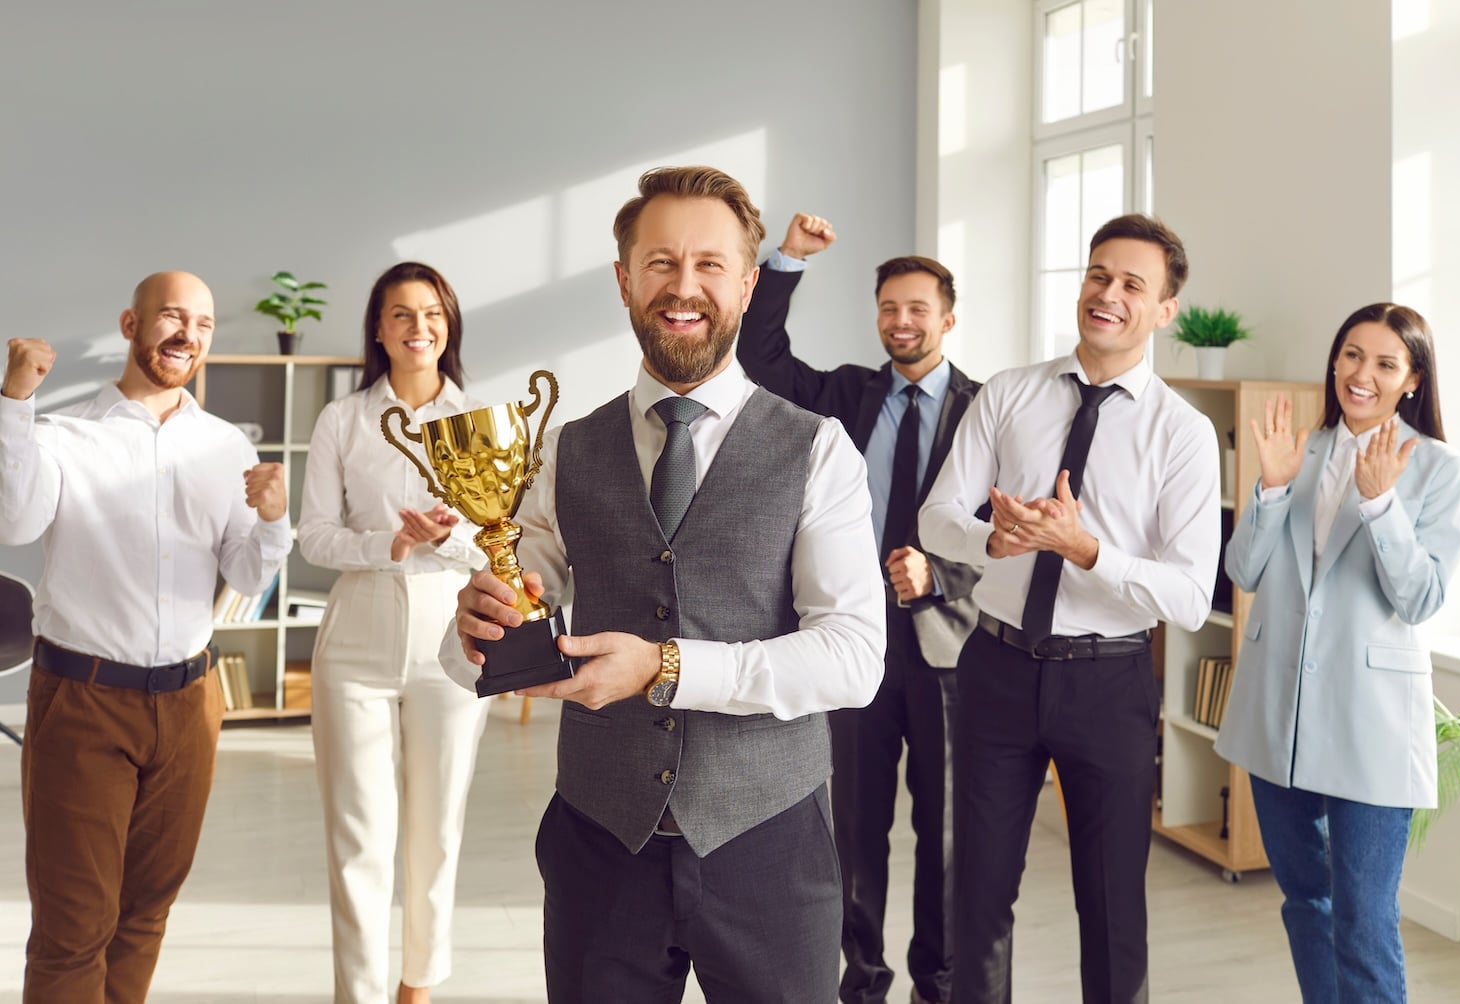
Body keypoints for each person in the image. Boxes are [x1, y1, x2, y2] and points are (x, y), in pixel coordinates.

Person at [440, 166, 886, 1003]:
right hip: (599, 846)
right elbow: (490, 637)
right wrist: (477, 623)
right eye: (660, 264)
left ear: (750, 283)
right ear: (624, 280)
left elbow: (853, 657)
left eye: (711, 265)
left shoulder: (818, 447)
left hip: (769, 848)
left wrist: (667, 666)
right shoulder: (566, 449)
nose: (685, 288)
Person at [918, 215, 1221, 1004]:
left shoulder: (1181, 434)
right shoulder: (1009, 393)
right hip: (995, 671)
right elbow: (935, 516)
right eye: (1098, 274)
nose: (1108, 294)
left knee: (1113, 906)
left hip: (1108, 684)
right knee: (977, 896)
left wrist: (1088, 551)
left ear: (1164, 310)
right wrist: (994, 540)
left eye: (1132, 284)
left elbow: (1190, 596)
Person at [0, 272, 291, 1003]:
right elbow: (14, 525)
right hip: (83, 702)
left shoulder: (224, 446)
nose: (187, 335)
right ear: (132, 323)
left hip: (191, 704)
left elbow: (246, 574)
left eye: (202, 323)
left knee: (146, 911)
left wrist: (275, 518)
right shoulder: (64, 433)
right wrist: (15, 402)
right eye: (170, 317)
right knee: (74, 924)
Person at [737, 213, 980, 1004]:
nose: (901, 322)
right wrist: (786, 263)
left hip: (947, 647)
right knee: (857, 827)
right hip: (852, 639)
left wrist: (938, 570)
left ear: (949, 318)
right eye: (888, 308)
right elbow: (759, 356)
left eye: (918, 309)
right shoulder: (845, 393)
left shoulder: (985, 410)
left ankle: (937, 984)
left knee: (941, 834)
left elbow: (1002, 532)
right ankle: (862, 979)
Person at [1214, 303, 1460, 1003]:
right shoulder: (1300, 450)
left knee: (1363, 919)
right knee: (1305, 901)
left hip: (1372, 726)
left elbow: (1420, 599)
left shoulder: (1441, 470)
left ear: (1412, 379)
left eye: (1386, 363)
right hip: (1279, 715)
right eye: (1352, 355)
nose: (1363, 374)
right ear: (1335, 361)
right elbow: (1243, 571)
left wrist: (1383, 505)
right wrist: (1268, 488)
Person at [298, 261, 492, 1004]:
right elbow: (314, 536)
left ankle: (419, 985)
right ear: (379, 330)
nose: (420, 328)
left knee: (436, 829)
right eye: (402, 315)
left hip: (453, 638)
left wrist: (442, 542)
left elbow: (493, 544)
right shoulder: (341, 421)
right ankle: (360, 994)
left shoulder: (477, 424)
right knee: (359, 836)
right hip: (355, 641)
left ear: (449, 325)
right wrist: (392, 544)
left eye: (433, 313)